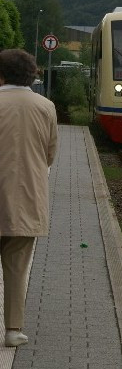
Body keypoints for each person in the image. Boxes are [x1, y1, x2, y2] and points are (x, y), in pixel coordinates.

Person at [0, 49, 57, 347]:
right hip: (26, 199)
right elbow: (50, 155)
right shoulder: (46, 107)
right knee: (17, 267)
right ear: (32, 75)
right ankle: (12, 330)